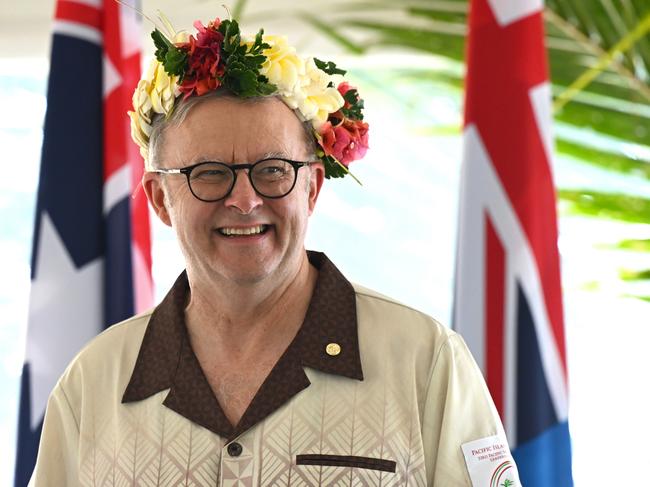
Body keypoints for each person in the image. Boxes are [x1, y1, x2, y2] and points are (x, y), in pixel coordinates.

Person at [30, 17, 520, 486]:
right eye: (210, 173)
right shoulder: (90, 386)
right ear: (160, 198)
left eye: (272, 170)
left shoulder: (427, 364)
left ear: (311, 188)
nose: (245, 200)